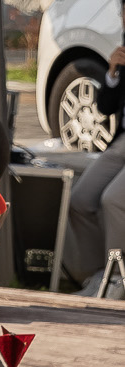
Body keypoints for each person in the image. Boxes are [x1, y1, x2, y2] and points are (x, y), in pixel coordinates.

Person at [60, 42, 125, 292]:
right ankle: (97, 274)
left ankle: (117, 277)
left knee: (113, 200)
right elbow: (105, 108)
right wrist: (112, 73)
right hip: (120, 143)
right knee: (79, 200)